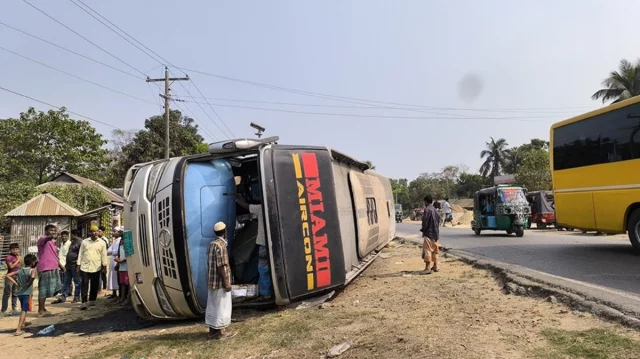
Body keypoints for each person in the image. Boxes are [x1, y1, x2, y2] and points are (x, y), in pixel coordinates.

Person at [236, 194, 273, 299]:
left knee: (263, 269)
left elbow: (247, 207)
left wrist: (237, 199)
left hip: (263, 243)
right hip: (274, 243)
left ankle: (266, 294)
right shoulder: (276, 208)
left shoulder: (261, 209)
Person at [205, 221, 235, 340]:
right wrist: (226, 282)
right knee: (222, 307)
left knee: (213, 306)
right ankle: (222, 332)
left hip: (212, 281)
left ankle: (212, 332)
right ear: (225, 232)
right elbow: (221, 266)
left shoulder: (211, 244)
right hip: (220, 282)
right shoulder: (221, 246)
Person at [6, 254, 37, 336]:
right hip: (27, 293)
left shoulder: (20, 270)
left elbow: (8, 275)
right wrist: (28, 283)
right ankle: (18, 329)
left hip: (20, 293)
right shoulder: (31, 270)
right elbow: (33, 277)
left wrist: (16, 283)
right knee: (24, 310)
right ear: (33, 262)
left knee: (24, 308)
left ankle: (23, 323)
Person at [78, 225, 109, 310]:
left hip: (96, 267)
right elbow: (81, 253)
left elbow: (104, 255)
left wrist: (105, 266)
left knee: (94, 284)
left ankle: (92, 300)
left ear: (98, 232)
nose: (95, 233)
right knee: (84, 284)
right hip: (85, 266)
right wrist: (78, 264)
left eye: (96, 231)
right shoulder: (84, 242)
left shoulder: (102, 243)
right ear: (90, 232)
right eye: (93, 231)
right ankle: (84, 302)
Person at [37, 224, 63, 317]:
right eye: (51, 230)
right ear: (46, 231)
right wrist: (52, 236)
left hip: (53, 267)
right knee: (43, 289)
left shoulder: (52, 242)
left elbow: (54, 254)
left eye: (54, 230)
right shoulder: (43, 239)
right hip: (45, 267)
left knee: (53, 287)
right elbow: (46, 239)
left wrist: (60, 265)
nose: (53, 232)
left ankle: (43, 308)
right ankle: (40, 310)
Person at [53, 230, 82, 304]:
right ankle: (63, 296)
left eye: (71, 235)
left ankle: (76, 297)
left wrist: (78, 264)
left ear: (75, 234)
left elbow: (81, 254)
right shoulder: (72, 242)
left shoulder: (80, 243)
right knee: (66, 281)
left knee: (77, 282)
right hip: (68, 264)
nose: (70, 237)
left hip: (75, 265)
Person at [420, 195, 440, 274]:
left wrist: (423, 230)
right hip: (435, 233)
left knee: (427, 249)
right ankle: (435, 266)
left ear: (425, 201)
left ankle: (427, 268)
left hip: (429, 232)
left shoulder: (427, 210)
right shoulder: (435, 210)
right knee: (435, 250)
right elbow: (439, 221)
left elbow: (425, 222)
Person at [2, 243, 21, 315]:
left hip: (17, 277)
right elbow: (11, 267)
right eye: (13, 249)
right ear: (10, 250)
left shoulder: (17, 256)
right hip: (10, 277)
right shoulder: (9, 257)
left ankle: (14, 308)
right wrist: (18, 261)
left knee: (15, 293)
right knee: (7, 294)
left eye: (16, 249)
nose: (15, 251)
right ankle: (4, 310)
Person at [106, 228, 123, 300]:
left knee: (116, 277)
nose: (113, 233)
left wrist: (112, 252)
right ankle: (114, 293)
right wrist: (112, 251)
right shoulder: (115, 241)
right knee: (112, 276)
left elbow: (115, 252)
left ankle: (118, 294)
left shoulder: (119, 240)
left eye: (114, 231)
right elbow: (108, 251)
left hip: (117, 260)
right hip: (113, 260)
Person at [114, 230, 130, 305]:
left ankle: (128, 299)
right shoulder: (120, 246)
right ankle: (122, 298)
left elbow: (130, 257)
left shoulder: (129, 247)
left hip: (127, 267)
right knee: (122, 283)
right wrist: (118, 261)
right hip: (121, 267)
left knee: (128, 284)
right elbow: (119, 255)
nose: (122, 241)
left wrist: (122, 261)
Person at [97, 226, 109, 295]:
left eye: (100, 231)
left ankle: (102, 288)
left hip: (103, 259)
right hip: (98, 259)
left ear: (103, 232)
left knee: (102, 274)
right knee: (101, 274)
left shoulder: (104, 240)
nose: (98, 232)